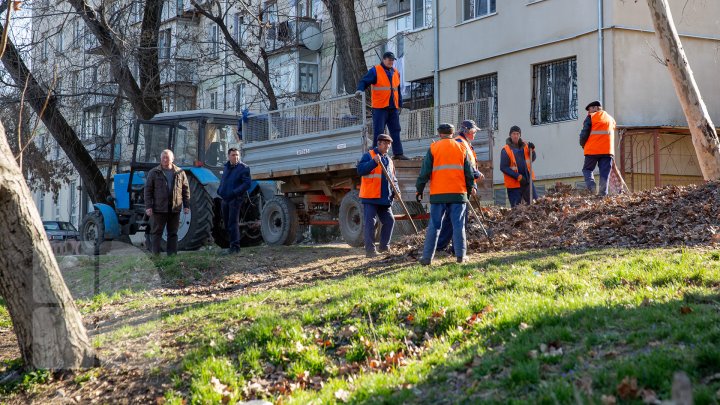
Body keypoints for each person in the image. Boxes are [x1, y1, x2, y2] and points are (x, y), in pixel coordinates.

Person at [416, 123, 477, 265]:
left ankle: (426, 258)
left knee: (435, 226)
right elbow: (469, 173)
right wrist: (469, 190)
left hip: (438, 194)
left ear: (439, 134)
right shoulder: (462, 147)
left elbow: (424, 172)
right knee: (458, 225)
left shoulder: (434, 148)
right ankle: (461, 256)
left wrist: (419, 189)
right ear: (452, 133)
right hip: (458, 194)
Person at [436, 119, 486, 254]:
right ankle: (454, 248)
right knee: (458, 219)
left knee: (452, 219)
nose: (475, 134)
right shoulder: (459, 143)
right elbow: (464, 166)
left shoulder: (466, 143)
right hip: (458, 186)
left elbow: (469, 167)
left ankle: (442, 246)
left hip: (462, 185)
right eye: (473, 131)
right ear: (466, 131)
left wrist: (473, 183)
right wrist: (475, 176)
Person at [355, 51, 408, 160]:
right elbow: (364, 81)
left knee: (396, 130)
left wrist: (400, 104)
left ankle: (398, 153)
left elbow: (397, 90)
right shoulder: (376, 70)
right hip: (380, 107)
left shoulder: (396, 72)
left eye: (392, 60)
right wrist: (360, 89)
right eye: (389, 60)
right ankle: (375, 153)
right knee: (379, 131)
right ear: (383, 59)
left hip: (393, 107)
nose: (391, 62)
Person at [357, 134, 398, 258]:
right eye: (385, 144)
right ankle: (370, 250)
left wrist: (397, 190)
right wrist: (373, 162)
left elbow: (393, 178)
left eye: (389, 144)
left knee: (390, 221)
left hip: (385, 198)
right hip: (371, 197)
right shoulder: (369, 155)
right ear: (379, 144)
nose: (388, 146)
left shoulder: (389, 160)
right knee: (370, 223)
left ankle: (384, 247)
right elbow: (360, 170)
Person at [144, 149, 190, 256]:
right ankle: (156, 256)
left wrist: (186, 206)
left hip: (174, 208)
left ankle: (172, 256)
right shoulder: (154, 172)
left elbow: (185, 190)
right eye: (163, 157)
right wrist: (148, 206)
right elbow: (148, 191)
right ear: (160, 159)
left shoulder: (180, 172)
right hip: (159, 208)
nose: (165, 159)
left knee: (173, 233)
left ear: (172, 159)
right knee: (156, 233)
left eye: (167, 157)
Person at [217, 148, 252, 254]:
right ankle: (231, 245)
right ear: (228, 156)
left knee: (233, 223)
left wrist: (235, 193)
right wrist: (220, 191)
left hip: (235, 200)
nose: (235, 157)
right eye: (233, 155)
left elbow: (247, 184)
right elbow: (223, 181)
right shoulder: (226, 167)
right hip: (225, 199)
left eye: (237, 155)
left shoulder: (243, 168)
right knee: (227, 224)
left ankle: (235, 247)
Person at [579, 100, 616, 196]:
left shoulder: (591, 117)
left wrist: (582, 144)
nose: (588, 112)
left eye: (589, 109)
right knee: (604, 174)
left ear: (595, 108)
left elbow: (584, 134)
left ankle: (592, 189)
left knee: (587, 170)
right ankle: (602, 195)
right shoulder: (611, 119)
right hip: (607, 151)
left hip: (592, 150)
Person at [500, 126, 537, 207]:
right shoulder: (505, 150)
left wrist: (532, 150)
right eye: (514, 134)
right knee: (516, 210)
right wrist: (518, 177)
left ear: (520, 135)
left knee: (535, 205)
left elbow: (532, 158)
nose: (516, 136)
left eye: (517, 134)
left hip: (527, 182)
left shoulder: (526, 146)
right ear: (510, 135)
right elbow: (503, 167)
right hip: (514, 185)